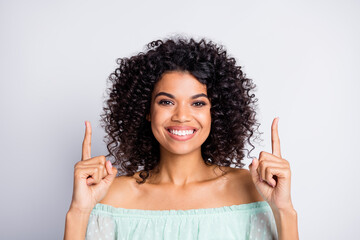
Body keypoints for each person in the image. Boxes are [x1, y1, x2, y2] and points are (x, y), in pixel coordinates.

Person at [64, 37, 299, 240]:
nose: (182, 116)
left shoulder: (252, 189)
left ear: (214, 112)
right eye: (166, 102)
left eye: (197, 103)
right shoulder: (112, 196)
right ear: (146, 110)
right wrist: (79, 211)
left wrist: (284, 210)